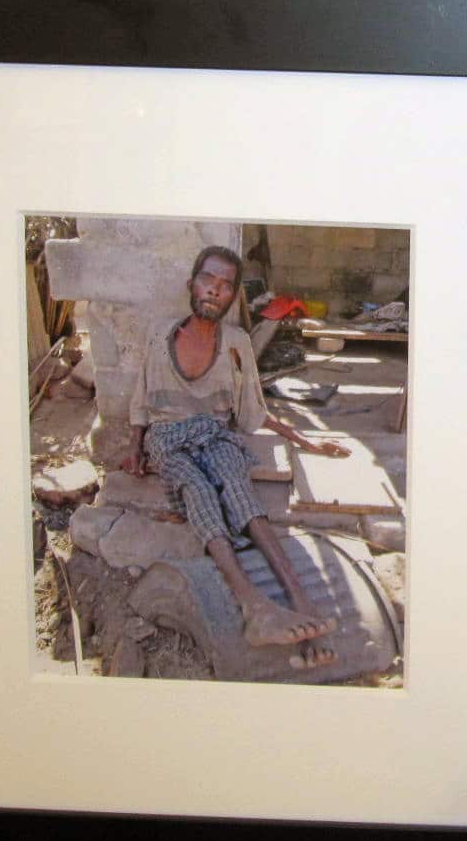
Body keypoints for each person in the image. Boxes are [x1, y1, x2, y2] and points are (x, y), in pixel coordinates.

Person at [126, 244, 352, 669]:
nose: (215, 289)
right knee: (197, 490)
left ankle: (302, 603)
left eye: (225, 285)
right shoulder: (160, 334)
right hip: (167, 437)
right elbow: (141, 397)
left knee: (237, 484)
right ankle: (255, 607)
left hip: (216, 434)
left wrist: (305, 441)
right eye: (207, 279)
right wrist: (134, 447)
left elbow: (253, 411)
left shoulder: (236, 343)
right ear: (191, 284)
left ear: (232, 298)